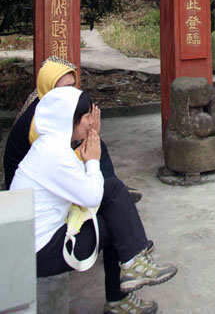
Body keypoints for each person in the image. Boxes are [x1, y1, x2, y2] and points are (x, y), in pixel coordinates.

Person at [11, 86, 177, 314]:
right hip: (39, 252)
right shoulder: (55, 154)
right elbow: (91, 195)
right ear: (71, 119)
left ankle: (132, 266)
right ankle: (125, 286)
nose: (92, 121)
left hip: (33, 241)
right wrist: (93, 161)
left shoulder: (50, 146)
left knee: (113, 195)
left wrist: (91, 143)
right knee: (113, 215)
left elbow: (80, 180)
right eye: (87, 116)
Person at [3, 56, 142, 203]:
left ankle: (111, 186)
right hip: (27, 195)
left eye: (73, 86)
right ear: (48, 86)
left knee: (95, 143)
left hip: (47, 174)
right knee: (93, 146)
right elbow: (58, 162)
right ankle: (109, 190)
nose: (71, 91)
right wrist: (89, 138)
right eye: (65, 87)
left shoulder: (47, 103)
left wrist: (90, 136)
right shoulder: (37, 122)